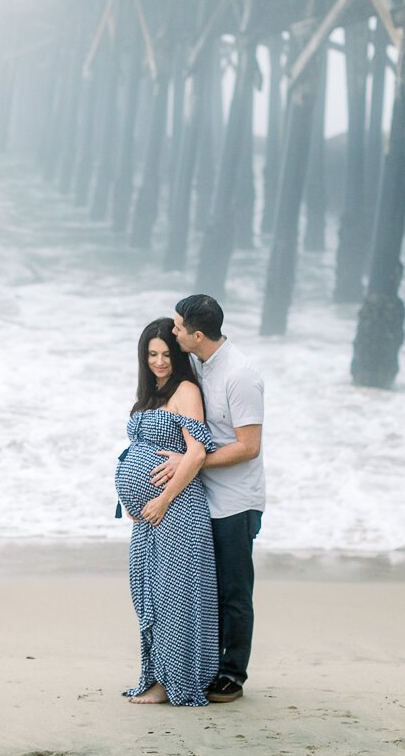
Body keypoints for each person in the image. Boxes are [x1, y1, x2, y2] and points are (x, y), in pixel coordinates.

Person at [154, 293, 265, 703]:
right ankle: (203, 665)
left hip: (236, 500)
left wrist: (191, 461)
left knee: (235, 591)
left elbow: (248, 446)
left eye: (179, 327)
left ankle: (232, 674)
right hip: (202, 497)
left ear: (197, 335)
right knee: (206, 587)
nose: (174, 331)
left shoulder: (241, 374)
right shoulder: (198, 364)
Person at [113, 318, 220, 706]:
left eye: (166, 354)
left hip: (177, 509)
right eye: (152, 354)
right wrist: (132, 497)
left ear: (178, 354)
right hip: (149, 515)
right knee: (148, 594)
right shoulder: (151, 393)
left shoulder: (186, 390)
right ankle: (155, 674)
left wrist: (162, 499)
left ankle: (173, 682)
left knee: (175, 596)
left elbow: (197, 451)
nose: (159, 361)